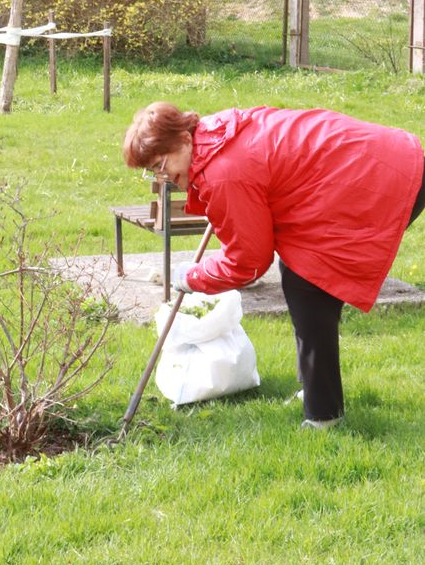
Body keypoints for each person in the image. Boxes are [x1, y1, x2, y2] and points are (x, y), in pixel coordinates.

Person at [123, 102, 425, 428]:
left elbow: (249, 263)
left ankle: (323, 414)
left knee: (308, 283)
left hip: (378, 178)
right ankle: (317, 392)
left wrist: (193, 277)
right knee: (303, 279)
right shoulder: (215, 132)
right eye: (153, 171)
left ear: (183, 138)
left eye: (161, 164)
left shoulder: (224, 172)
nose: (163, 177)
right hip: (377, 159)